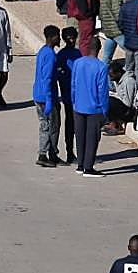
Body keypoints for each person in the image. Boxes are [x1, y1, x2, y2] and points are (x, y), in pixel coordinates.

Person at [71, 37, 108, 176]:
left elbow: (73, 85)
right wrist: (104, 110)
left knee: (80, 136)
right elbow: (102, 91)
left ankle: (80, 165)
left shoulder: (78, 63)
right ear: (99, 49)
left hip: (79, 105)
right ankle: (88, 167)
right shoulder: (101, 67)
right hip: (94, 108)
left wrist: (74, 101)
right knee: (92, 138)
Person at [33, 25, 64, 167]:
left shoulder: (43, 52)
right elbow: (47, 78)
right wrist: (50, 99)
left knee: (47, 125)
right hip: (46, 97)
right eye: (57, 36)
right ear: (52, 38)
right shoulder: (50, 55)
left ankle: (51, 153)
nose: (59, 38)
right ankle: (44, 154)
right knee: (50, 126)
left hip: (38, 94)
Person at [56, 27, 82, 165]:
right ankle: (69, 151)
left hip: (79, 95)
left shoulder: (78, 54)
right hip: (67, 95)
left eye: (73, 37)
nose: (71, 40)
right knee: (70, 123)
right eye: (68, 38)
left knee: (78, 124)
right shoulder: (61, 55)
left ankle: (79, 152)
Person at [97, 0, 124, 65]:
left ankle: (103, 74)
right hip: (116, 31)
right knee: (131, 51)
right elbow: (118, 15)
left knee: (106, 57)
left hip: (107, 29)